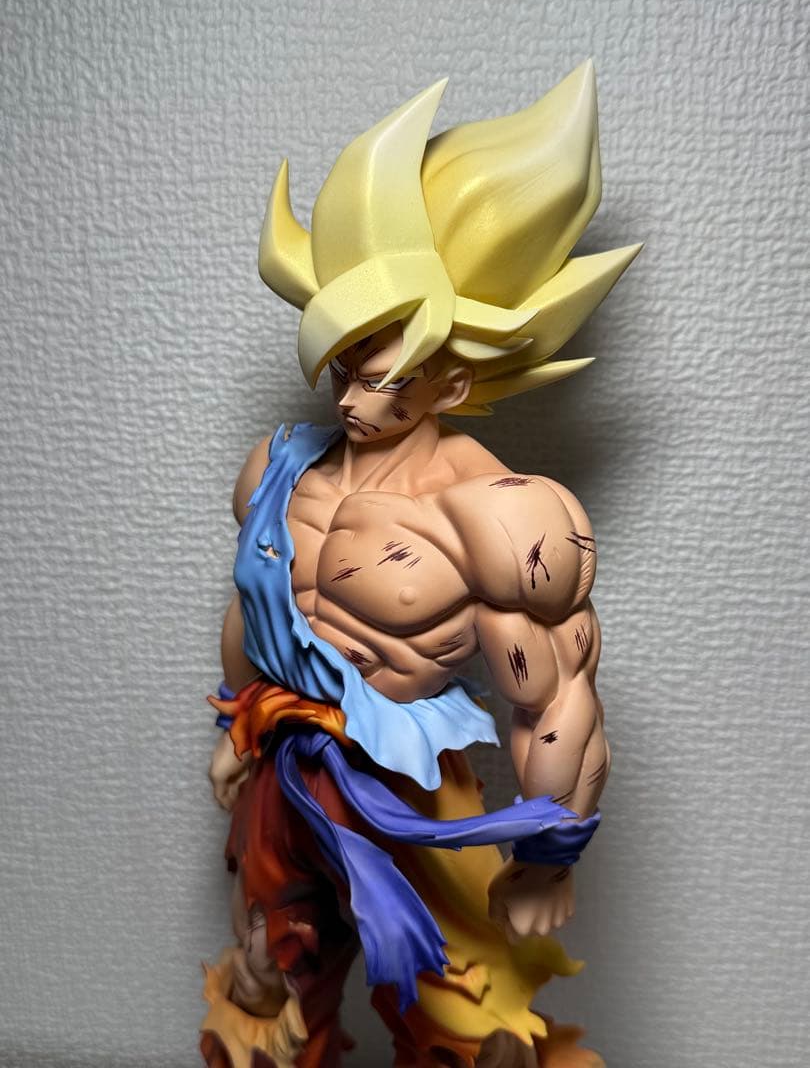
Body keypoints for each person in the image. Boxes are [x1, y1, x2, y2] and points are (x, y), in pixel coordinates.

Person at [200, 62, 640, 1068]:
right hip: (283, 768)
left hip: (410, 794)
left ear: (452, 379)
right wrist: (239, 726)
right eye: (343, 370)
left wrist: (548, 854)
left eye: (380, 376)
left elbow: (556, 692)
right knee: (266, 995)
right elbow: (251, 611)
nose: (351, 398)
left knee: (473, 1033)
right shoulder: (278, 469)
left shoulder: (494, 515)